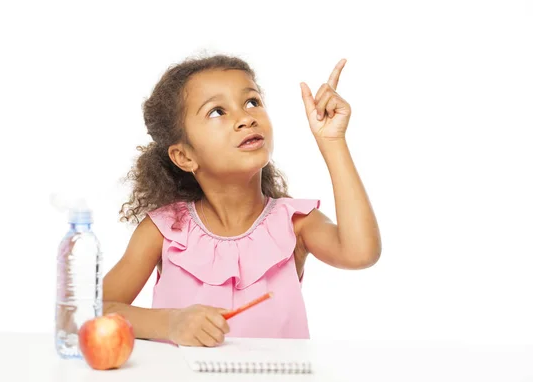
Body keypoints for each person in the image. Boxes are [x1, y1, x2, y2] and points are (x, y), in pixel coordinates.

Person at [102, 54, 381, 347]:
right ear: (184, 156)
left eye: (252, 102)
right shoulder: (164, 230)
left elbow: (360, 253)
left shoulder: (296, 224)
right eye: (217, 111)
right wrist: (170, 323)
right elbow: (91, 312)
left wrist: (332, 141)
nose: (246, 118)